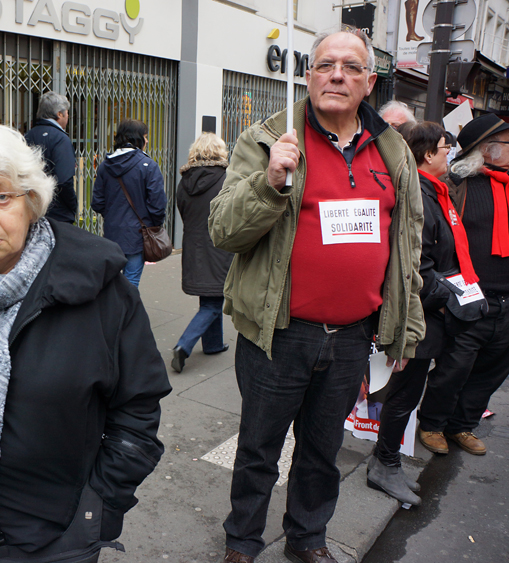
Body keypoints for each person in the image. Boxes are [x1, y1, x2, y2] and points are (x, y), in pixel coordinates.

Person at [209, 28, 424, 563]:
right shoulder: (267, 139)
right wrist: (271, 183)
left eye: (351, 68)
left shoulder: (392, 149)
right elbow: (223, 232)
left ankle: (308, 538)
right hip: (278, 334)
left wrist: (405, 328)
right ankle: (242, 541)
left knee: (322, 452)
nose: (337, 75)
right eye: (326, 64)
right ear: (309, 74)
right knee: (259, 449)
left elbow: (408, 249)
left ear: (369, 82)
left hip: (352, 337)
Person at [0, 117, 171, 563]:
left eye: (1, 196)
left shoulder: (99, 286)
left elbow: (139, 408)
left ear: (31, 201)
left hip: (59, 540)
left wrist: (97, 509)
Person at [368, 122, 476, 506]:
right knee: (403, 394)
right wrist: (452, 296)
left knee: (404, 393)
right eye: (446, 148)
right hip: (419, 315)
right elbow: (418, 266)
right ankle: (384, 464)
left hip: (429, 312)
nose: (450, 154)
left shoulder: (437, 193)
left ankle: (387, 461)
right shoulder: (422, 196)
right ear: (427, 154)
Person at [417, 113, 509, 456]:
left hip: (505, 300)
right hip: (468, 298)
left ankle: (462, 426)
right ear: (490, 150)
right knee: (455, 368)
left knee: (491, 371)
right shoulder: (457, 184)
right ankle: (433, 423)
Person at [171, 133, 233, 373]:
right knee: (213, 302)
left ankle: (213, 343)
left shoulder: (183, 182)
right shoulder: (226, 180)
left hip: (193, 245)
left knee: (209, 296)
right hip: (218, 247)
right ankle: (184, 345)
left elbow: (184, 213)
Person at [92, 119, 167, 287]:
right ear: (137, 138)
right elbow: (158, 204)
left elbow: (97, 202)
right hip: (137, 234)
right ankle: (124, 313)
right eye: (145, 137)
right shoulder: (148, 166)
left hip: (112, 232)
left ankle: (113, 312)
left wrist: (112, 215)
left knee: (111, 282)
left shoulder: (105, 165)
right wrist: (152, 224)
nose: (147, 141)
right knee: (131, 281)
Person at [24, 91, 79, 223]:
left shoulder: (28, 136)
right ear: (59, 114)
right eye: (67, 113)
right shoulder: (61, 139)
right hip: (58, 213)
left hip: (33, 210)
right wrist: (73, 205)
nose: (68, 116)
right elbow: (64, 180)